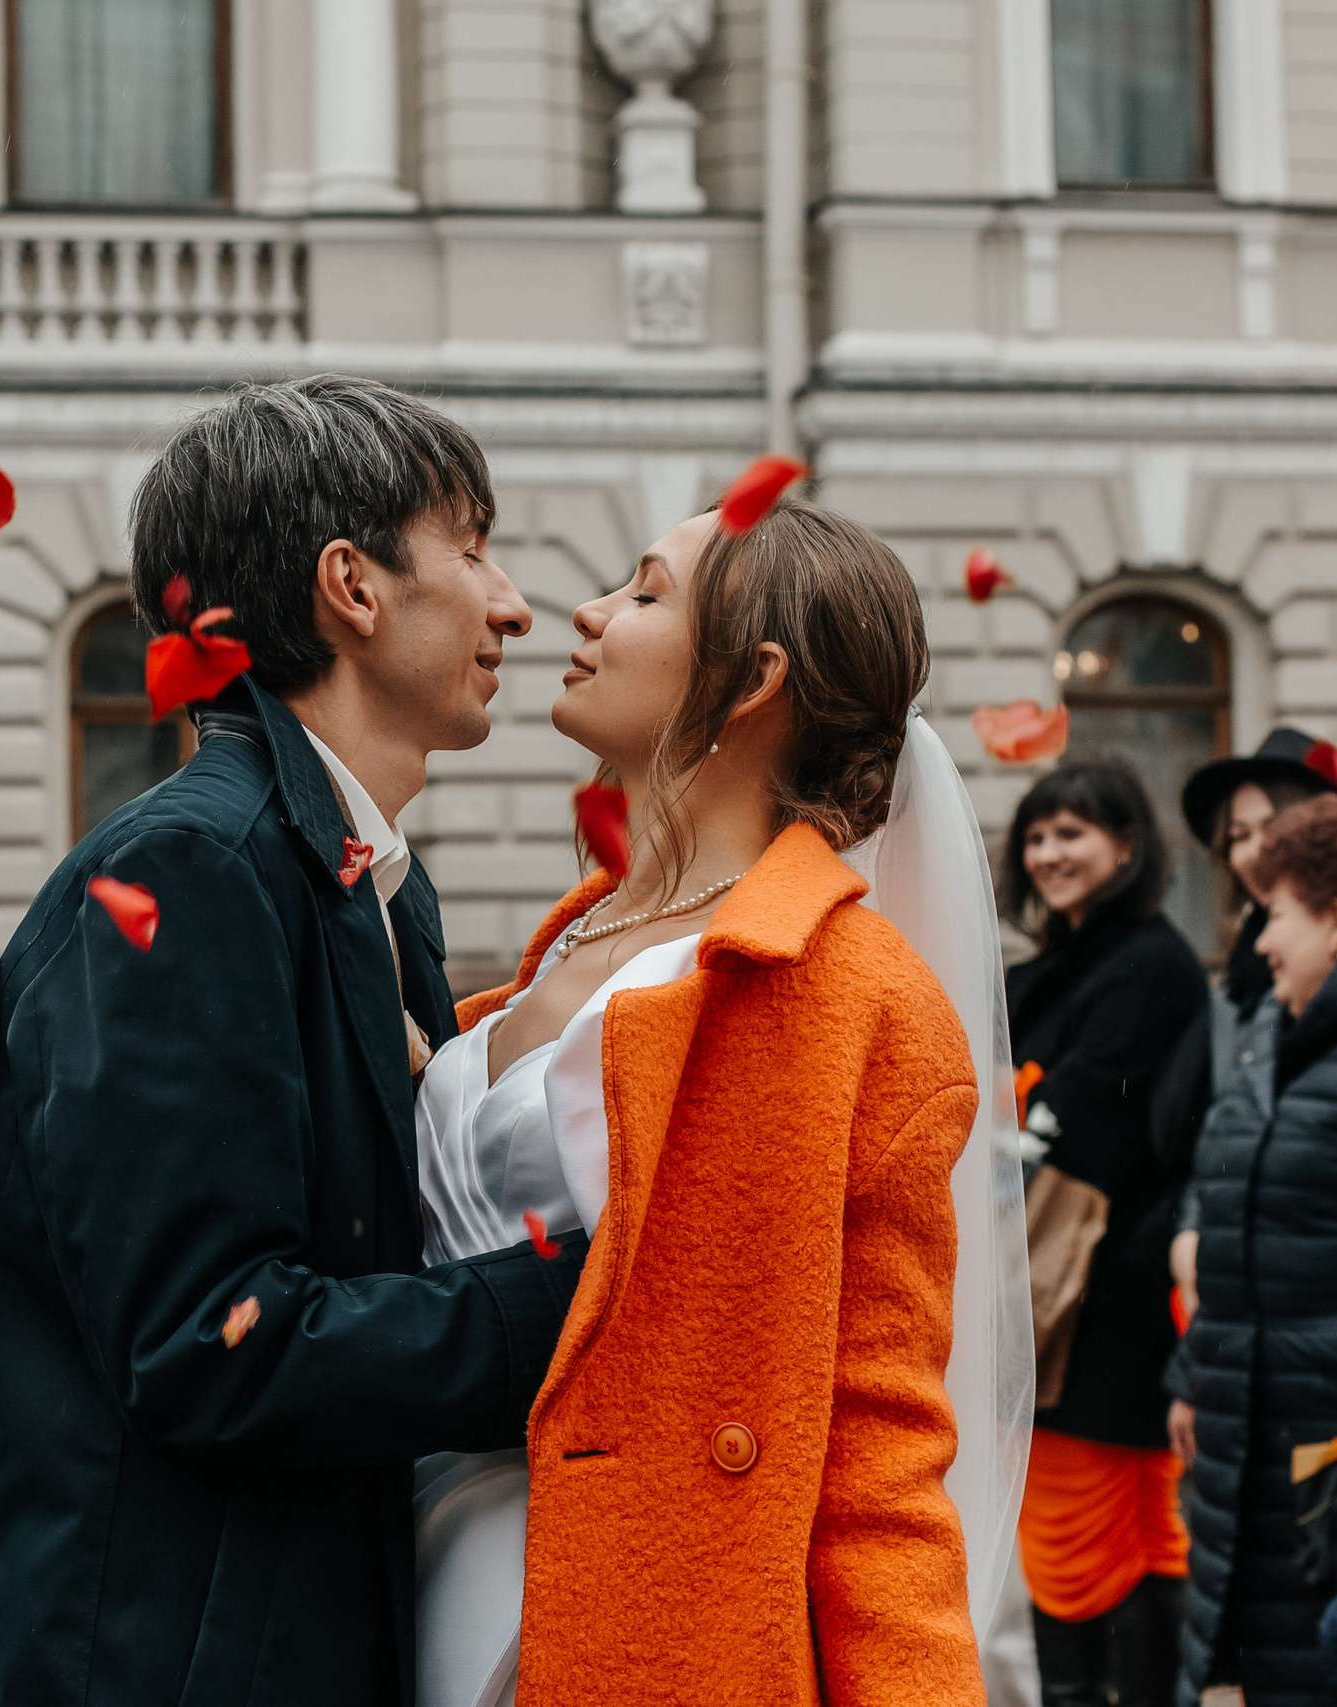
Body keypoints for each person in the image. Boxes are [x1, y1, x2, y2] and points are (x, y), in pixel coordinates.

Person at [0, 376, 586, 1707]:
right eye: (471, 543)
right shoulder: (196, 869)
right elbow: (216, 1342)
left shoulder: (351, 876)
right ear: (354, 585)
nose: (513, 601)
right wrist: (592, 1300)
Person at [425, 499, 1027, 1706]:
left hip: (645, 1619)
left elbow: (879, 1452)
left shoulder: (849, 996)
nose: (586, 613)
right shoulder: (573, 936)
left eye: (644, 594)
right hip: (411, 1564)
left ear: (752, 682)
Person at [1169, 795, 1337, 1707]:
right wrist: (1194, 1373)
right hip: (1255, 1454)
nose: (1260, 941)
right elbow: (1242, 1222)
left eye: (1274, 913)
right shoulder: (1278, 1031)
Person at [997, 759, 1209, 1705]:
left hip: (1099, 1307)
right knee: (1097, 1533)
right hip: (1070, 1299)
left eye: (1073, 833)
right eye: (1037, 836)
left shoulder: (1149, 966)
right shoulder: (1053, 966)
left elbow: (1075, 1142)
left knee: (1103, 1534)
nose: (1049, 853)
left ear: (1128, 845)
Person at [1156, 731, 1337, 1322]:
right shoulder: (1236, 988)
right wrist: (1192, 1232)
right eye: (1237, 836)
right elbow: (1222, 1130)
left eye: (1273, 826)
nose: (1256, 850)